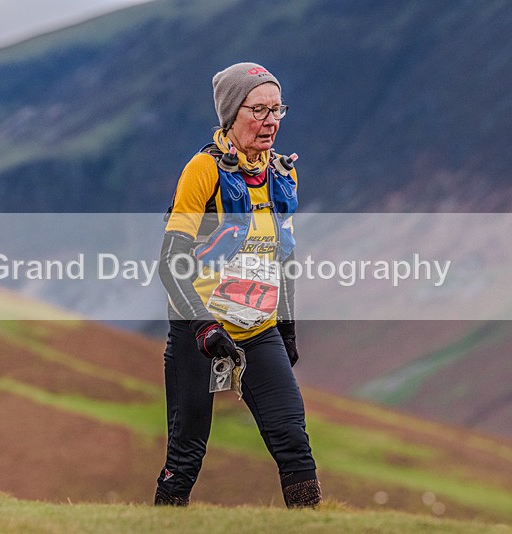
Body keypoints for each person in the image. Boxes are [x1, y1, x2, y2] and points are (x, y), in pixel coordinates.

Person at [154, 62, 321, 508]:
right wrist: (204, 328)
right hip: (199, 331)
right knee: (185, 457)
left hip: (258, 330)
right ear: (231, 114)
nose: (271, 121)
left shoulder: (283, 173)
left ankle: (312, 524)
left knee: (294, 441)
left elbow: (284, 258)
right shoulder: (203, 170)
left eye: (277, 109)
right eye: (258, 110)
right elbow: (170, 263)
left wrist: (286, 327)